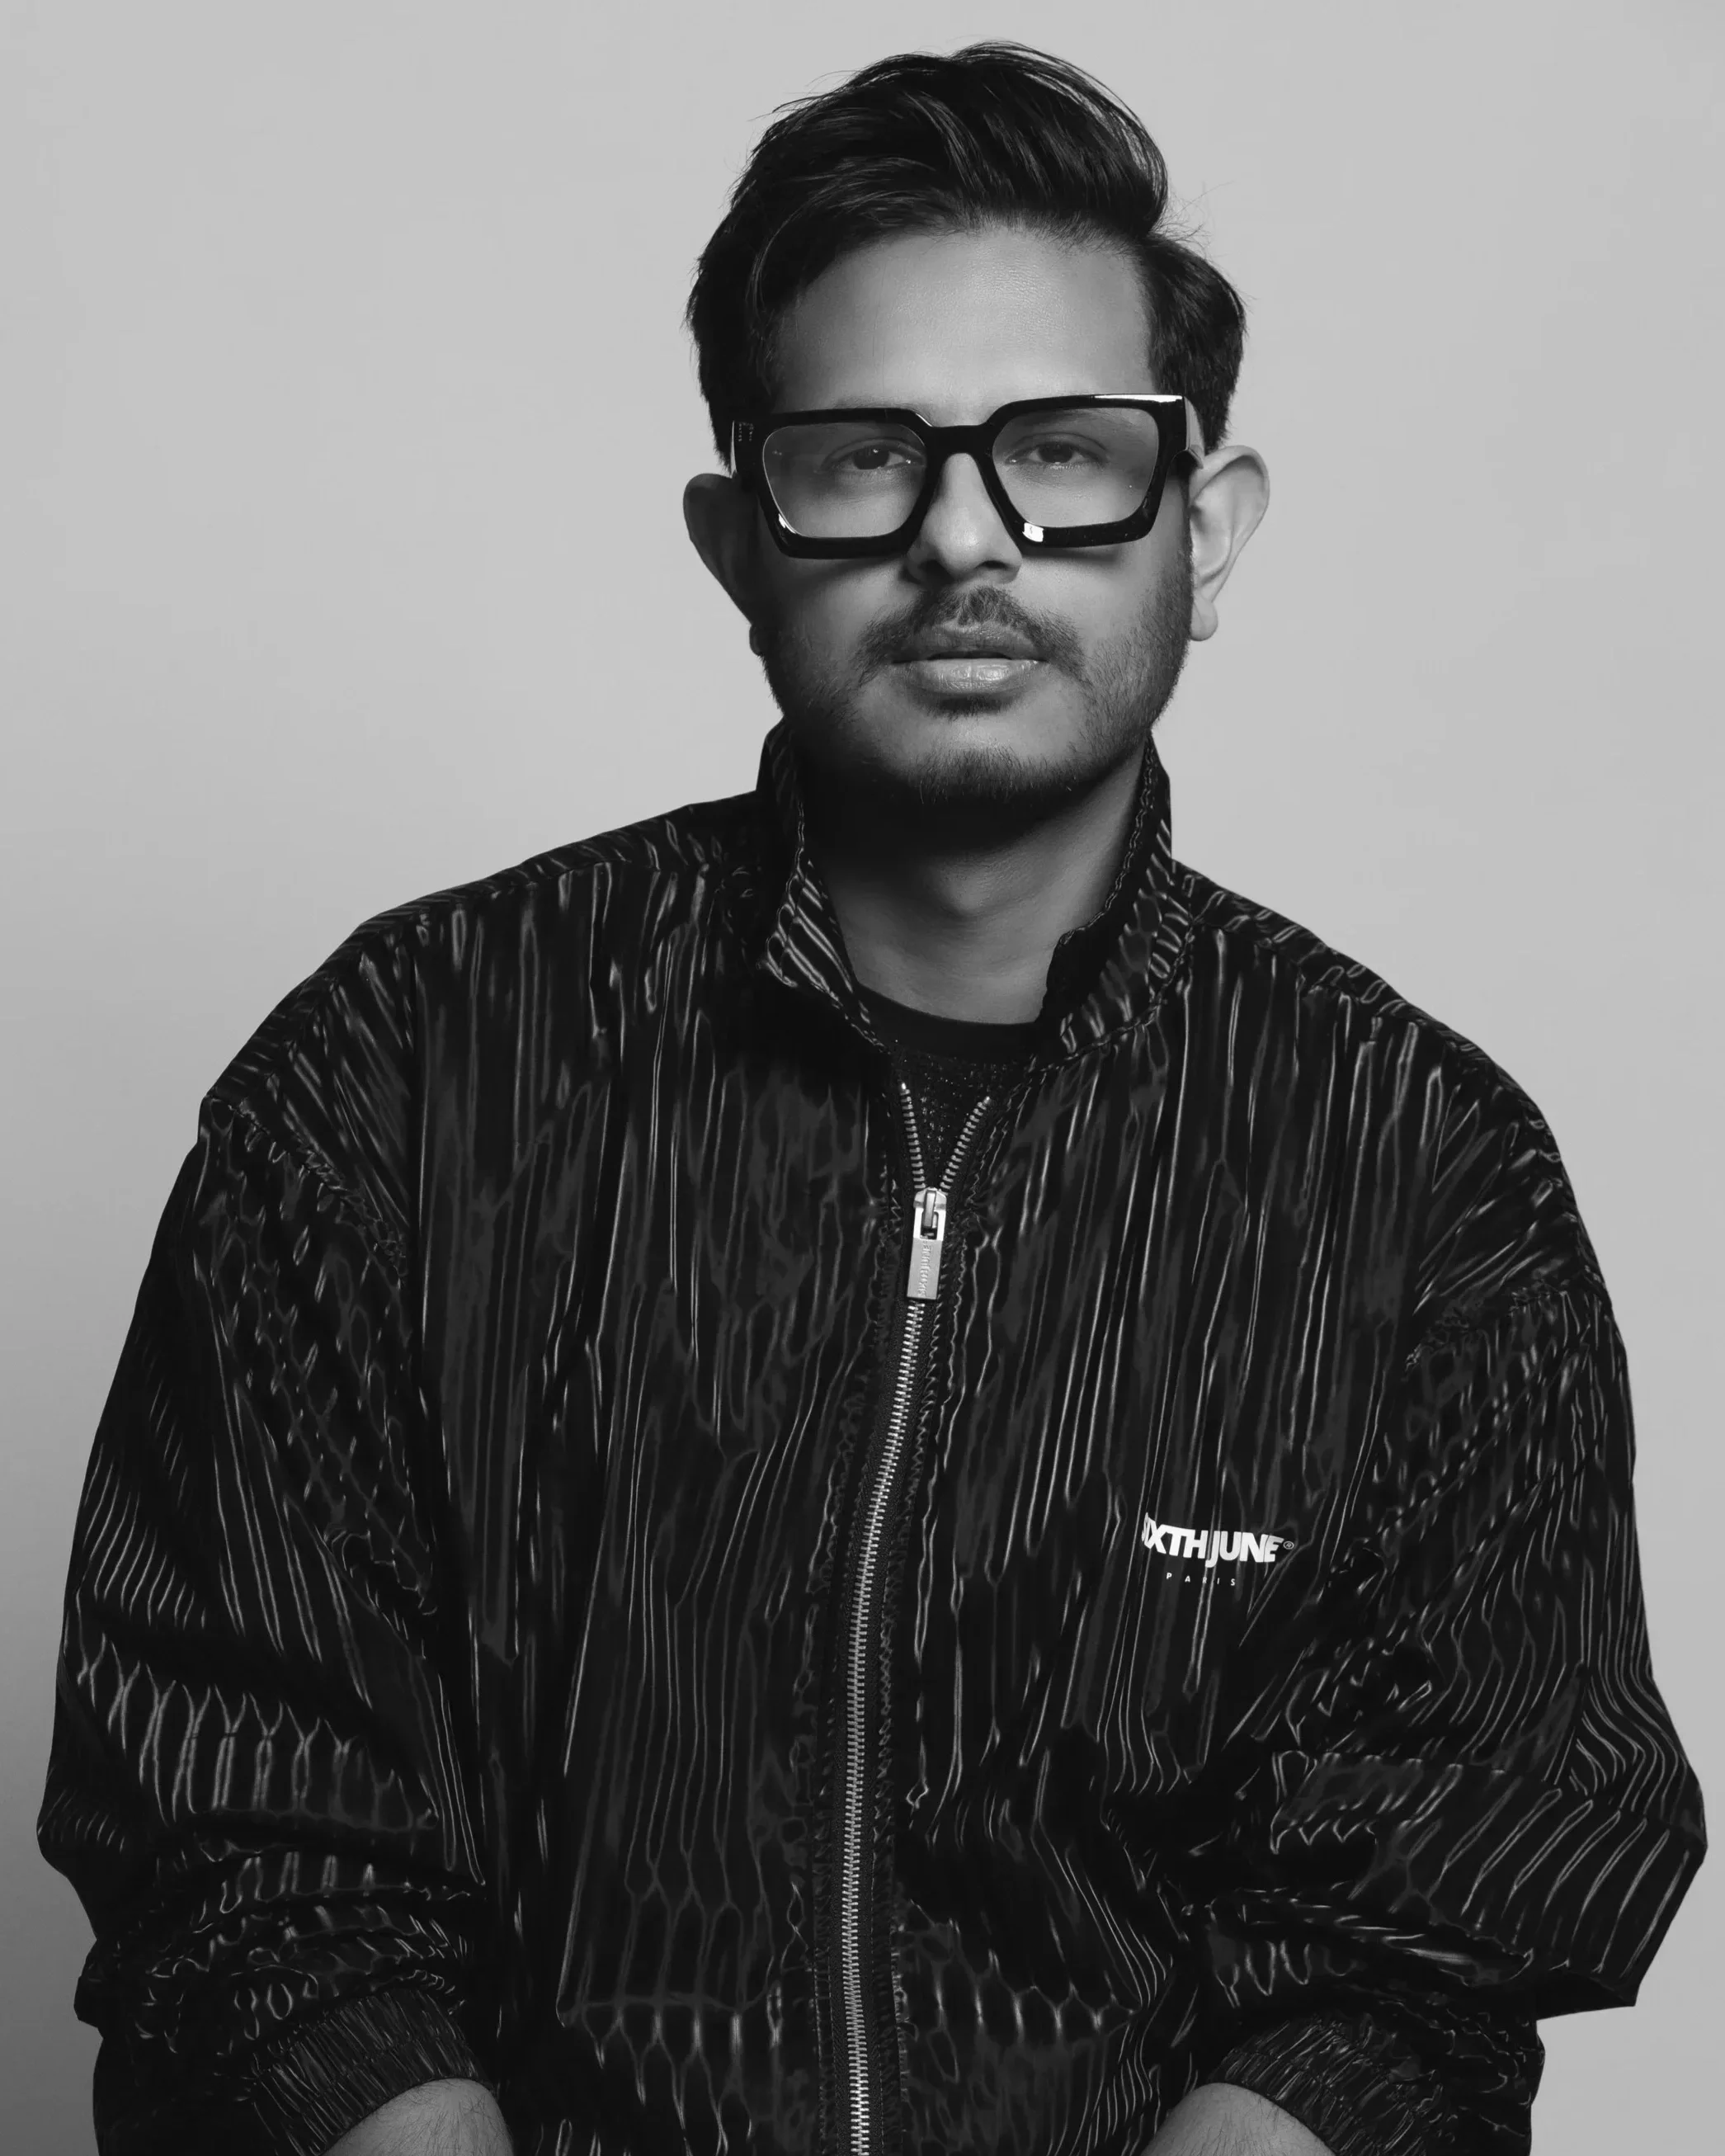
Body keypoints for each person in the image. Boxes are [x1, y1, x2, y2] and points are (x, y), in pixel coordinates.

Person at [38, 41, 1703, 2156]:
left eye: (1065, 453)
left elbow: (1426, 1938)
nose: (962, 539)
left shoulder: (1415, 1170)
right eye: (858, 461)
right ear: (740, 539)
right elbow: (245, 1843)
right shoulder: (397, 1070)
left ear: (1204, 527)